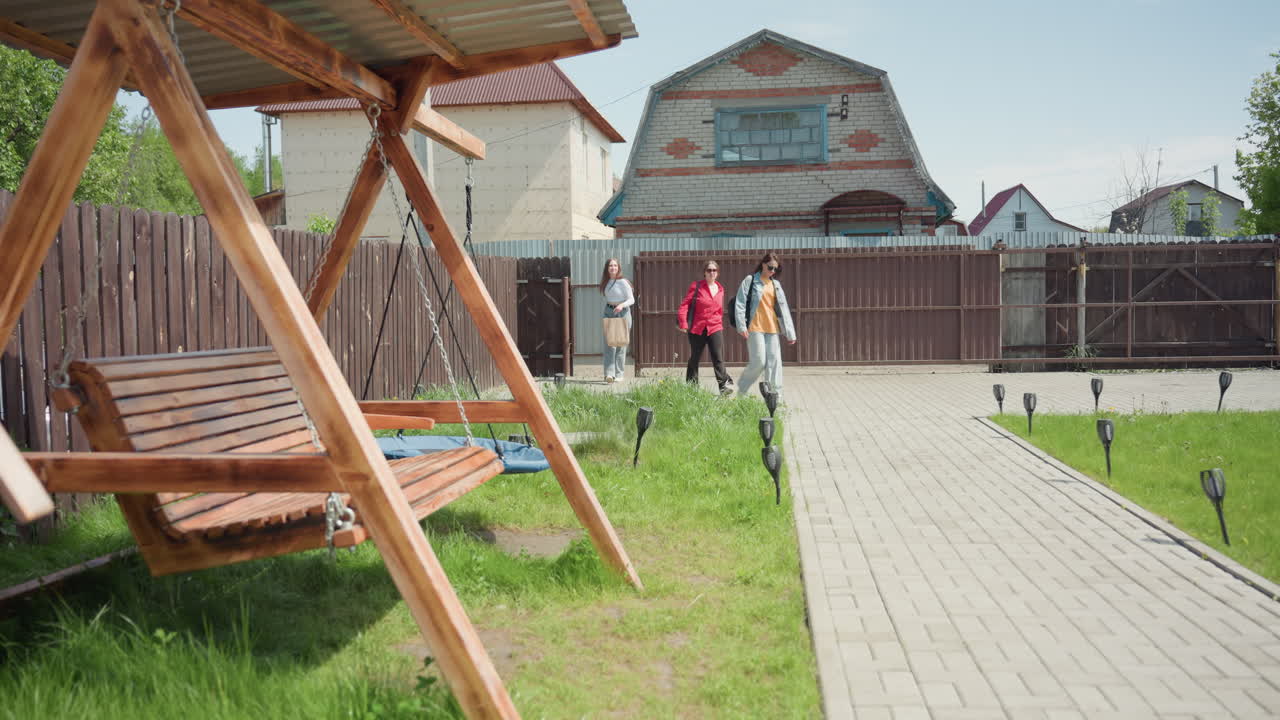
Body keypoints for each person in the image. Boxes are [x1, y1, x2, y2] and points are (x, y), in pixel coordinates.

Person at [733, 252, 796, 399]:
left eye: (776, 269)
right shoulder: (750, 280)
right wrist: (741, 326)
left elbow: (784, 309)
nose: (772, 271)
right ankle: (742, 388)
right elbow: (740, 303)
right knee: (759, 361)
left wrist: (790, 333)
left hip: (772, 328)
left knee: (774, 363)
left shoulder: (776, 284)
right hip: (755, 328)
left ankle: (774, 396)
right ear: (763, 264)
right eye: (770, 267)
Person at [677, 260, 734, 394]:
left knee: (718, 357)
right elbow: (684, 305)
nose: (712, 273)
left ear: (717, 273)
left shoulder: (720, 289)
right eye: (709, 270)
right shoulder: (696, 286)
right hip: (697, 328)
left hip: (715, 327)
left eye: (714, 270)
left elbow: (719, 311)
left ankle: (724, 387)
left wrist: (718, 322)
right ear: (704, 272)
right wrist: (683, 323)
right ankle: (692, 387)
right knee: (695, 358)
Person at [600, 257, 634, 383]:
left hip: (622, 313)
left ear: (618, 268)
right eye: (610, 266)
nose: (613, 268)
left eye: (615, 265)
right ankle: (609, 374)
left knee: (620, 344)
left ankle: (619, 374)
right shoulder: (605, 282)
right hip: (609, 311)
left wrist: (621, 305)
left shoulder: (623, 282)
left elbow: (632, 299)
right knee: (609, 344)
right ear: (607, 268)